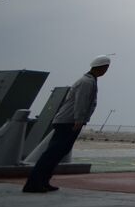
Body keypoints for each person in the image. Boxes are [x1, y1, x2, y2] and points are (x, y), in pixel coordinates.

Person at [23, 55, 110, 193]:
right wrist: (79, 119)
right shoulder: (87, 82)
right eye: (106, 68)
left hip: (68, 121)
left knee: (58, 153)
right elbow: (81, 102)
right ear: (103, 68)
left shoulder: (89, 80)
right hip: (68, 121)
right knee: (53, 153)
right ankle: (34, 183)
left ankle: (43, 181)